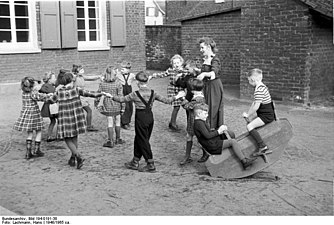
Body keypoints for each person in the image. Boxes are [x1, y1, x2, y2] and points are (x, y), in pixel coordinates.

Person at [108, 71, 185, 173]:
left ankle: (150, 163)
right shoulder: (153, 93)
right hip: (150, 117)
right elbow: (166, 100)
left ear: (138, 83)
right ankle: (135, 160)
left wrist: (110, 96)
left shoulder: (135, 94)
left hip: (140, 117)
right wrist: (177, 96)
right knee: (140, 138)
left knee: (143, 140)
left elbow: (122, 99)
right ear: (147, 81)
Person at [49, 71, 106, 169]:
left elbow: (51, 100)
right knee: (74, 136)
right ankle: (75, 156)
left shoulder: (59, 92)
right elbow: (90, 93)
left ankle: (77, 156)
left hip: (65, 117)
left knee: (67, 138)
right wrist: (101, 93)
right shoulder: (76, 89)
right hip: (76, 116)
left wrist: (55, 91)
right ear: (71, 80)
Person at [193, 104, 256, 170]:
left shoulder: (200, 122)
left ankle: (235, 153)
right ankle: (244, 162)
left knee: (230, 133)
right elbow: (207, 136)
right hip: (212, 145)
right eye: (205, 114)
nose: (207, 115)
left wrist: (220, 130)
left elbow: (208, 133)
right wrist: (219, 131)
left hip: (212, 141)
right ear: (199, 114)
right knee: (233, 142)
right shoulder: (199, 124)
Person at [196, 37, 225, 162]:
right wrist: (197, 71)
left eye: (202, 47)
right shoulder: (205, 60)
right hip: (206, 88)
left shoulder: (215, 59)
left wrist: (204, 74)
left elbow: (214, 73)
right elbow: (204, 72)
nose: (201, 50)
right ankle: (206, 150)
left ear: (208, 46)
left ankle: (216, 148)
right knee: (204, 115)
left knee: (211, 115)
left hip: (214, 89)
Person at [13, 77, 53, 159]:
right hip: (34, 113)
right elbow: (40, 97)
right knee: (38, 131)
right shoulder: (33, 93)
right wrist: (48, 95)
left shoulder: (24, 93)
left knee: (30, 133)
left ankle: (28, 152)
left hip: (26, 113)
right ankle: (37, 150)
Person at [242, 68, 276, 156]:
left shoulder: (259, 90)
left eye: (249, 80)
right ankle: (256, 140)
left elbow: (256, 106)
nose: (249, 82)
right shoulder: (261, 86)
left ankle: (263, 146)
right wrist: (248, 114)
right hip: (264, 113)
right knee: (251, 122)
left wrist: (248, 114)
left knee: (250, 126)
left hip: (266, 116)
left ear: (252, 79)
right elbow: (254, 103)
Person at [152, 54, 186, 131]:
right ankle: (172, 124)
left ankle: (172, 123)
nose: (176, 65)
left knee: (184, 104)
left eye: (178, 63)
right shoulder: (170, 70)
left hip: (180, 89)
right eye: (174, 63)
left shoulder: (184, 70)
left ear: (181, 62)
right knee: (176, 107)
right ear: (172, 64)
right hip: (172, 89)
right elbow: (162, 74)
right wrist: (153, 76)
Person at [95, 65, 125, 148]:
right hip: (117, 103)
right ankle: (118, 138)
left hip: (107, 104)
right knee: (118, 121)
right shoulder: (118, 83)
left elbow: (98, 94)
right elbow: (121, 96)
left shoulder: (102, 83)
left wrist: (97, 103)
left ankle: (110, 141)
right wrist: (123, 107)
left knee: (110, 122)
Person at [179, 79, 206, 165]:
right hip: (196, 120)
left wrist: (181, 98)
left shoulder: (196, 99)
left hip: (195, 121)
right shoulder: (201, 97)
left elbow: (186, 106)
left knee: (199, 139)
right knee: (190, 136)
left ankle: (206, 153)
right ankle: (188, 156)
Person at [72, 64, 102, 132]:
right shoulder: (75, 78)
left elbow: (90, 78)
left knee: (81, 112)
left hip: (82, 96)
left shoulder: (82, 76)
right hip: (78, 97)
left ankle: (81, 126)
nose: (83, 70)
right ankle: (88, 126)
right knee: (88, 111)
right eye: (81, 69)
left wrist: (98, 76)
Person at [116, 61, 136, 130]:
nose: (121, 70)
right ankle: (124, 123)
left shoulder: (132, 75)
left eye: (123, 69)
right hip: (122, 91)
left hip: (129, 92)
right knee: (125, 107)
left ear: (128, 69)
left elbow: (139, 78)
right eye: (121, 69)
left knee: (130, 107)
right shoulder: (118, 75)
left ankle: (128, 122)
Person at [39, 71, 58, 142]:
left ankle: (49, 136)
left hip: (50, 106)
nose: (55, 79)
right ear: (49, 79)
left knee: (53, 121)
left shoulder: (47, 86)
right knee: (58, 120)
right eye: (54, 78)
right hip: (52, 106)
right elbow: (53, 91)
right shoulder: (48, 86)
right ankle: (58, 135)